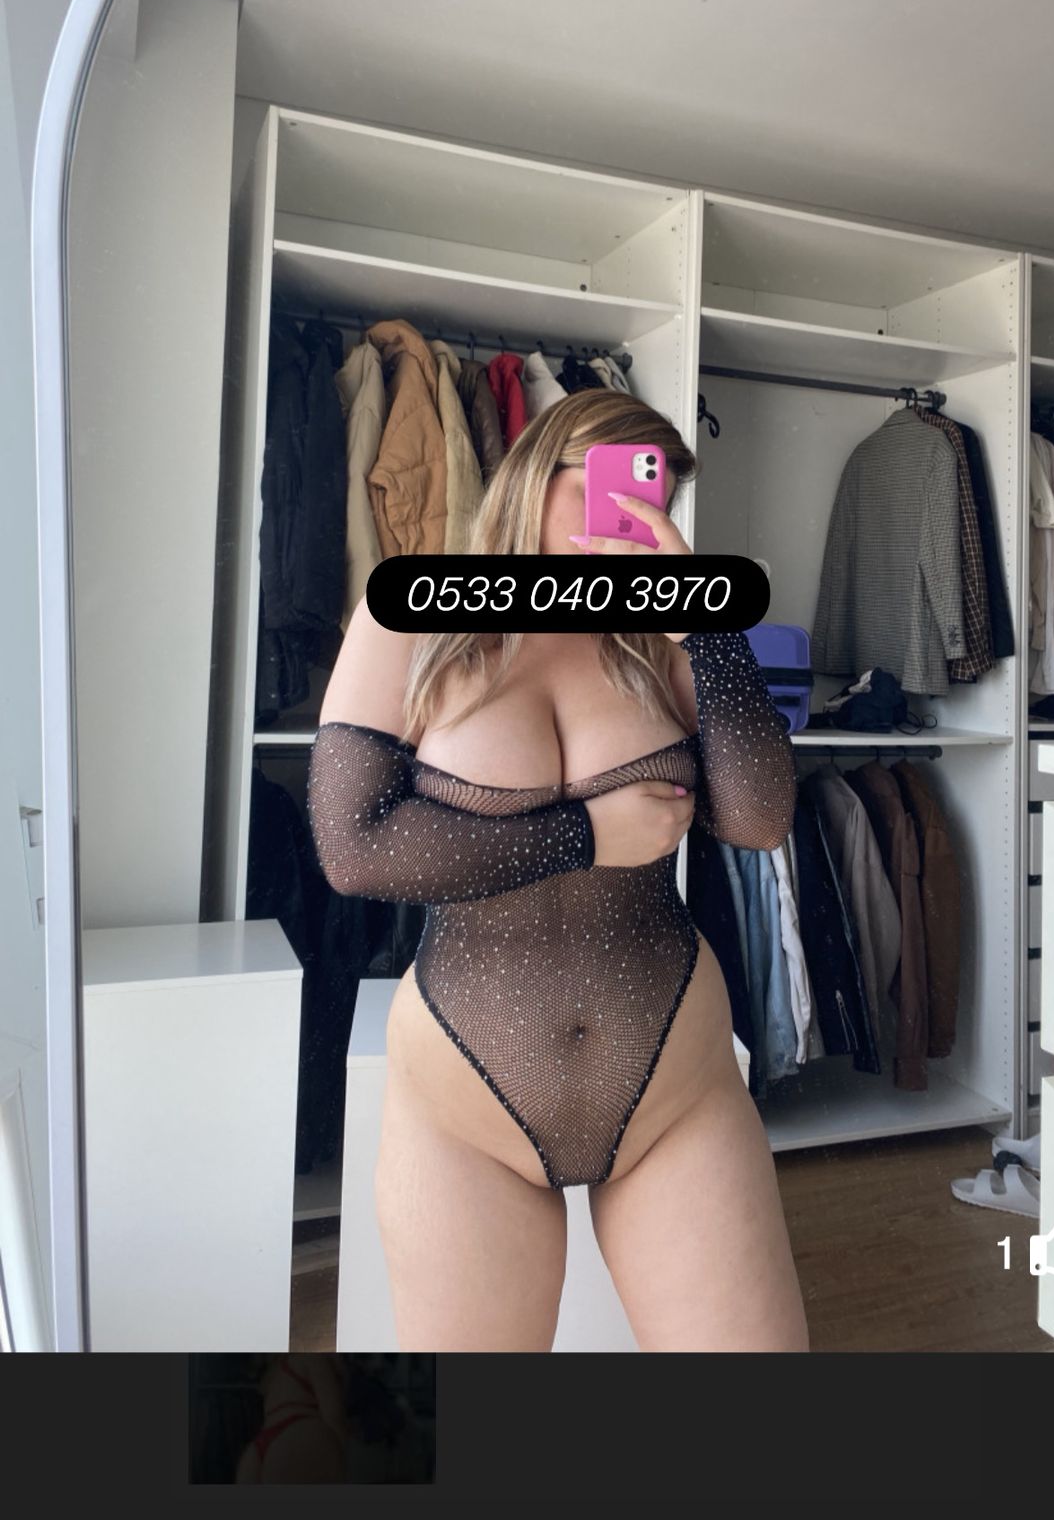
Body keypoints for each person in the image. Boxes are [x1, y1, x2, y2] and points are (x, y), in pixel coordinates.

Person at [307, 390, 809, 1351]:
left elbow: (758, 817)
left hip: (675, 1091)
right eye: (610, 483)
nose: (633, 515)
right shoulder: (414, 615)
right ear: (535, 472)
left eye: (655, 493)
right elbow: (353, 845)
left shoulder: (658, 639)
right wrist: (583, 835)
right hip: (465, 1108)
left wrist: (702, 622)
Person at [233, 1354, 351, 1484]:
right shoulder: (313, 1356)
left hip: (256, 1453)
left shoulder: (274, 1372)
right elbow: (333, 1414)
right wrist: (342, 1457)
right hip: (298, 1434)